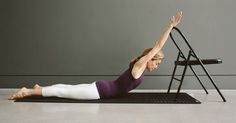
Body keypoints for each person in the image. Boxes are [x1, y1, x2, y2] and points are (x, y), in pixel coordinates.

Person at [9, 11, 183, 100]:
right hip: (99, 92)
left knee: (68, 88)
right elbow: (158, 45)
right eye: (157, 63)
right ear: (150, 58)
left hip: (101, 87)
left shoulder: (139, 66)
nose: (156, 66)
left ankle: (39, 88)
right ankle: (27, 92)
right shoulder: (141, 65)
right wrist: (170, 27)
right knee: (64, 92)